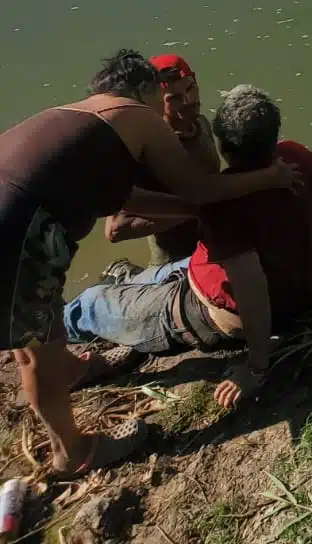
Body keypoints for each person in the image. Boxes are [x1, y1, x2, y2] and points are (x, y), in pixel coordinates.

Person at [0, 51, 296, 475]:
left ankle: (71, 369)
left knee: (42, 320)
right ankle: (73, 453)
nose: (167, 107)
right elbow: (199, 188)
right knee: (33, 353)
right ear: (144, 91)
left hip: (15, 213)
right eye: (162, 96)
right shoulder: (136, 115)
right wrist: (268, 179)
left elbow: (122, 199)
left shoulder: (79, 117)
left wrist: (190, 209)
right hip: (15, 228)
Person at [65, 85, 312, 410]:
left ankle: (37, 337)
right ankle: (125, 281)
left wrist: (257, 366)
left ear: (225, 148)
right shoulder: (297, 156)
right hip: (282, 285)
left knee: (90, 304)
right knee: (151, 276)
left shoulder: (225, 203)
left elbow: (250, 285)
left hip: (208, 310)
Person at [102, 54, 221, 268]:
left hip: (212, 248)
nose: (188, 100)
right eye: (173, 98)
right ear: (157, 100)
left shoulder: (201, 124)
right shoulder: (145, 149)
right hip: (171, 265)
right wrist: (194, 210)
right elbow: (116, 228)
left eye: (190, 88)